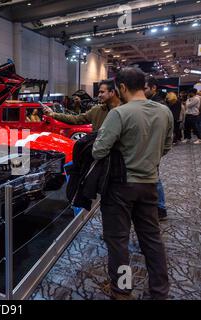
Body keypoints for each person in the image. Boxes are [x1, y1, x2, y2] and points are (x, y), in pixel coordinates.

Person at [92, 67, 172, 300]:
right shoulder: (164, 111)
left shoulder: (119, 113)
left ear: (122, 88)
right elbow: (166, 147)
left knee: (118, 242)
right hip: (149, 183)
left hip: (120, 187)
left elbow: (99, 150)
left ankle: (122, 289)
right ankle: (159, 291)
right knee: (152, 240)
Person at [43, 79, 121, 131]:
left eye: (102, 92)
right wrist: (52, 114)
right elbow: (76, 119)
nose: (99, 95)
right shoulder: (97, 110)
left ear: (112, 92)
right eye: (99, 92)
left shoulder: (126, 111)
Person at [145, 78, 169, 221]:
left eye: (146, 88)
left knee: (154, 179)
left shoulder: (157, 105)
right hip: (153, 148)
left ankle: (160, 208)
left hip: (152, 149)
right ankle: (159, 207)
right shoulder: (155, 104)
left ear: (153, 88)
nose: (143, 91)